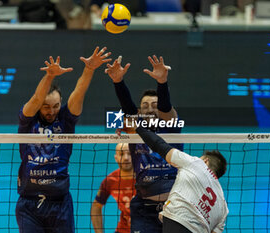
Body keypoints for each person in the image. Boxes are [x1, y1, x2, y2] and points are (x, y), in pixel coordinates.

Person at [16, 46, 112, 233]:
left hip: (60, 204)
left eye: (56, 106)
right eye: (46, 107)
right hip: (29, 204)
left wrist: (89, 69)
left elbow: (79, 92)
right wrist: (50, 76)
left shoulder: (65, 121)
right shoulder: (27, 121)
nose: (51, 111)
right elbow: (36, 98)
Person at [104, 55, 183, 233]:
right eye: (145, 105)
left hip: (175, 206)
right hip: (143, 207)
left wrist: (162, 82)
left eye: (154, 104)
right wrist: (118, 81)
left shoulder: (172, 126)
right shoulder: (134, 128)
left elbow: (165, 108)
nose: (149, 108)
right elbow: (128, 108)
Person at [135, 126, 229, 233]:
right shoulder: (223, 207)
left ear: (206, 161)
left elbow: (160, 146)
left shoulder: (196, 163)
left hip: (178, 220)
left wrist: (138, 128)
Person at [91, 143, 136, 233]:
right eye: (122, 154)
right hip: (122, 230)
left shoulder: (144, 178)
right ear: (116, 158)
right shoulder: (110, 181)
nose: (126, 158)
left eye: (130, 153)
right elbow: (96, 206)